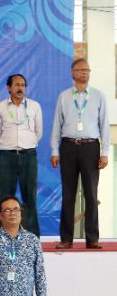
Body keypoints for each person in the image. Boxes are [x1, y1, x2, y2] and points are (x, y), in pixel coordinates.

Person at [51, 58, 109, 249]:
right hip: (68, 147)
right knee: (68, 193)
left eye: (87, 70)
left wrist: (105, 152)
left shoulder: (99, 96)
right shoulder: (64, 96)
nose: (85, 72)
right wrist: (54, 150)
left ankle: (92, 239)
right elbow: (56, 125)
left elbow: (104, 126)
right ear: (72, 73)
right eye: (80, 69)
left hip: (91, 147)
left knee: (91, 194)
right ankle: (66, 239)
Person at [0, 74, 42, 236]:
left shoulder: (34, 106)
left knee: (30, 196)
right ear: (9, 88)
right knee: (5, 195)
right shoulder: (1, 107)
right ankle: (3, 235)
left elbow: (38, 132)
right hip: (7, 156)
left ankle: (33, 236)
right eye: (16, 85)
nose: (20, 88)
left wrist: (28, 144)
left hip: (29, 155)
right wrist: (9, 146)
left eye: (23, 85)